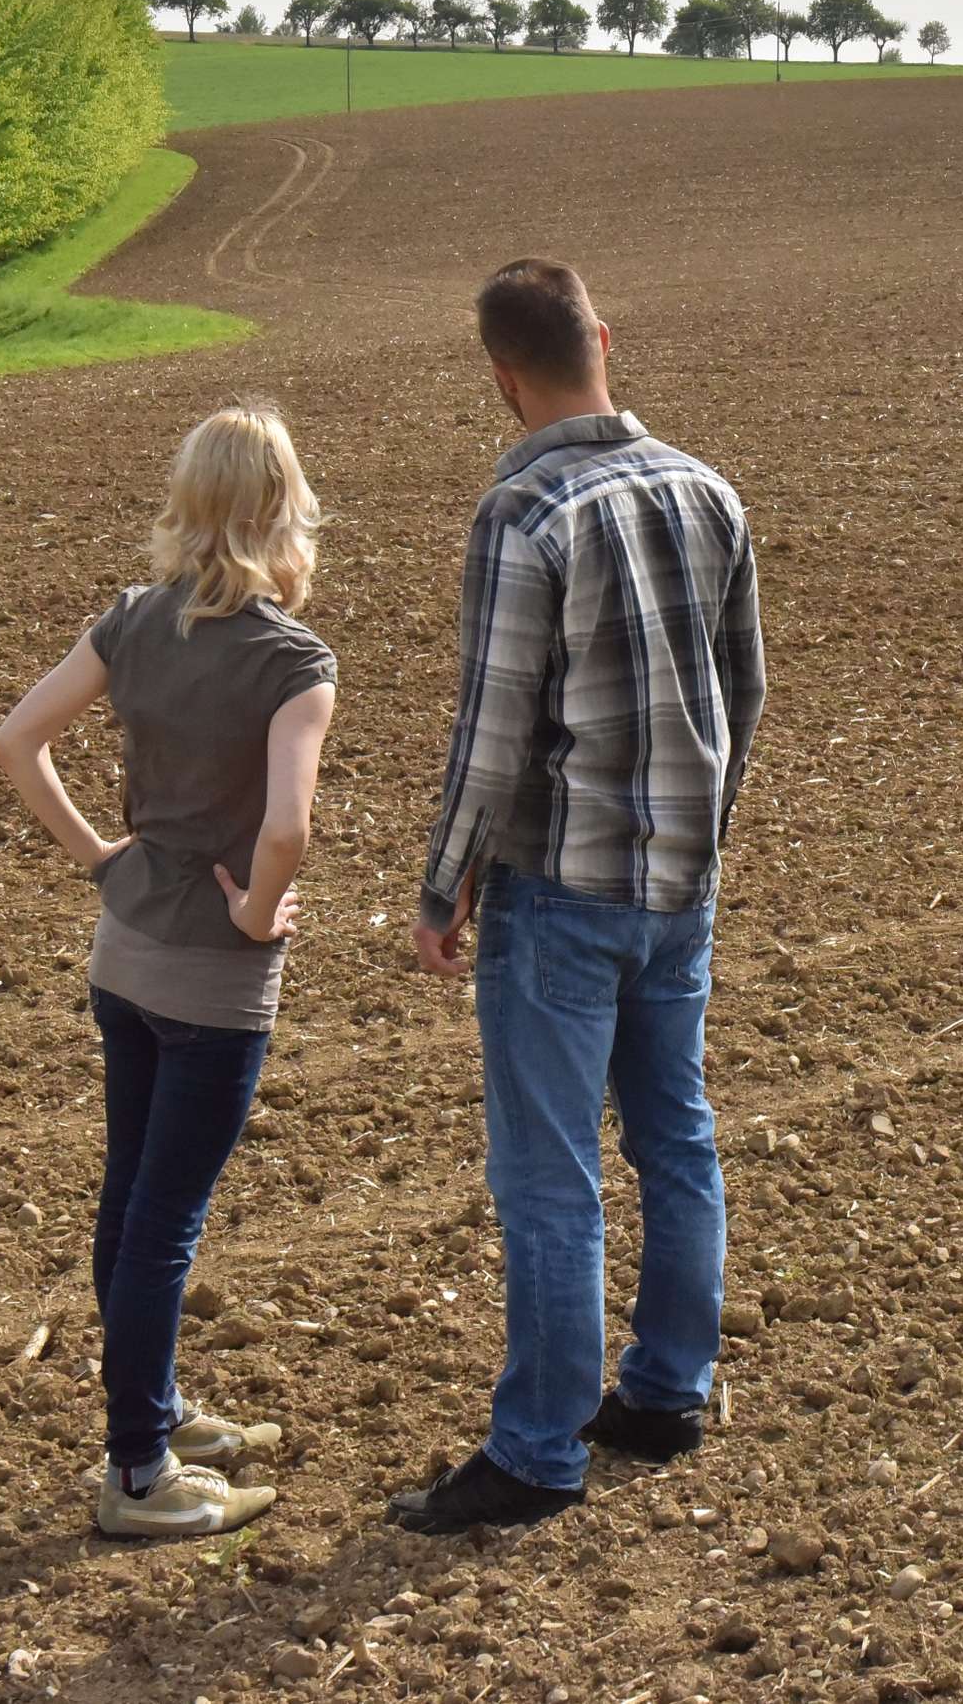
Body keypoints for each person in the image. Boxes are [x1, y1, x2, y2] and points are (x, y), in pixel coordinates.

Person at [388, 259, 766, 1536]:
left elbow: (492, 735)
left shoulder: (522, 512)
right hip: (682, 884)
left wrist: (444, 885)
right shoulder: (709, 490)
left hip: (558, 892)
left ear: (502, 375)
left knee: (549, 1179)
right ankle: (666, 1392)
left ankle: (538, 1452)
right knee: (676, 1133)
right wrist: (700, 833)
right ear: (604, 336)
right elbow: (743, 691)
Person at [0, 403, 338, 1540]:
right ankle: (137, 1471)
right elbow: (287, 827)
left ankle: (157, 1411)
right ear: (283, 515)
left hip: (124, 957)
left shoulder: (132, 620)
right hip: (213, 985)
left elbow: (15, 743)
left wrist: (99, 852)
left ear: (189, 508)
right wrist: (256, 904)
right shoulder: (294, 662)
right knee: (163, 1223)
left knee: (129, 1201)